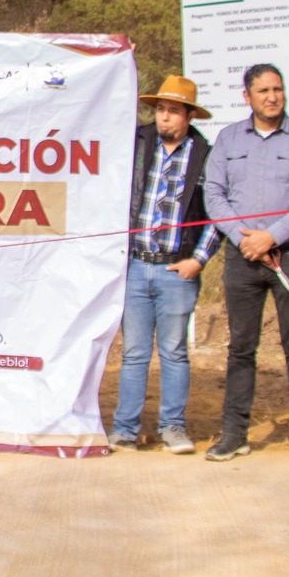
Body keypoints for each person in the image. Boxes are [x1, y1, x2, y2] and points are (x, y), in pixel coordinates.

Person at [201, 64, 289, 465]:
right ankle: (234, 434)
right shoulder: (227, 139)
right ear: (247, 97)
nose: (272, 97)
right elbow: (214, 195)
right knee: (241, 348)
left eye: (277, 89)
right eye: (263, 90)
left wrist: (271, 237)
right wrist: (243, 238)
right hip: (242, 257)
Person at [109, 77, 219, 454]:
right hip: (135, 265)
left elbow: (217, 214)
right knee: (134, 353)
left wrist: (198, 261)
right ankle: (125, 428)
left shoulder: (205, 155)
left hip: (177, 269)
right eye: (160, 110)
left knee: (173, 351)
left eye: (173, 111)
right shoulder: (137, 144)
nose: (164, 117)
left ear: (189, 116)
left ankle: (173, 427)